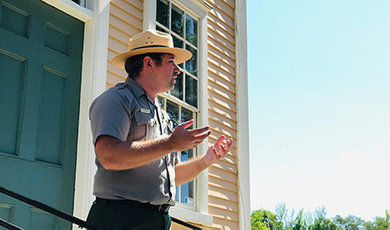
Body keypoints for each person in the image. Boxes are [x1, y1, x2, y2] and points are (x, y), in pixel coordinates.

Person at [86, 29, 232, 230]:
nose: (178, 69)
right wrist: (170, 143)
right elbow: (109, 157)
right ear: (148, 63)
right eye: (171, 61)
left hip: (157, 220)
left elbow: (172, 174)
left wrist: (207, 160)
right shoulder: (116, 99)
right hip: (120, 219)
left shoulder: (162, 115)